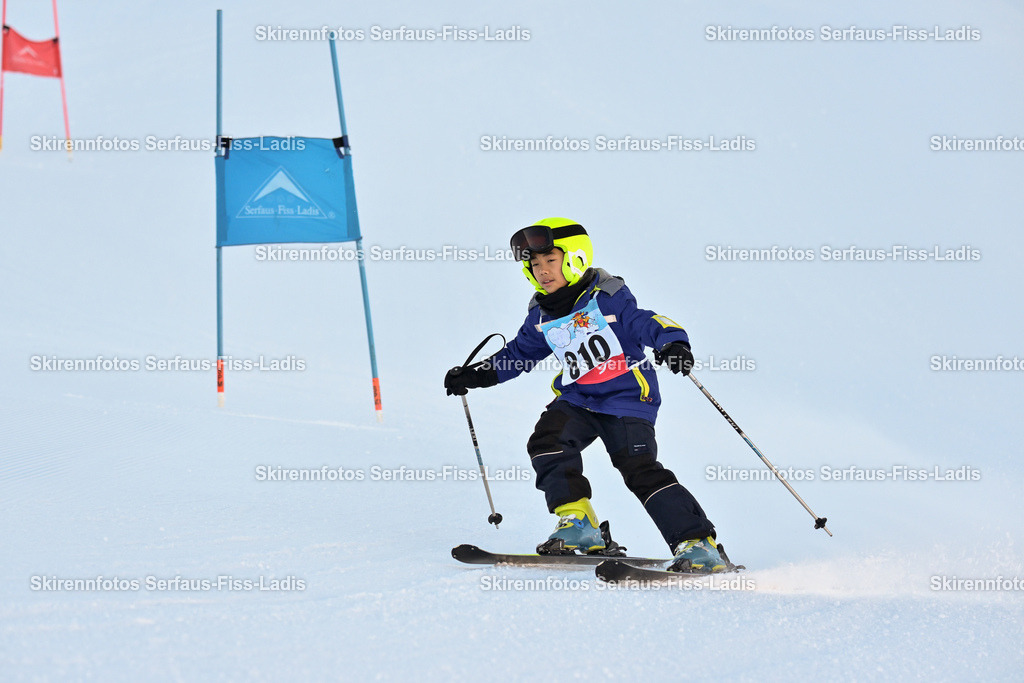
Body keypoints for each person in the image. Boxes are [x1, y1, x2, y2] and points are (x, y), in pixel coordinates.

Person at [444, 218, 727, 573]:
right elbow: (519, 354)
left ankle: (698, 543)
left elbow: (648, 322)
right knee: (547, 443)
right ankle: (579, 525)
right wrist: (475, 374)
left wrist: (673, 343)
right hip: (578, 398)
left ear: (575, 258)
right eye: (534, 265)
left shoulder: (608, 298)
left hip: (627, 399)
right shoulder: (542, 314)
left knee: (638, 468)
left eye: (551, 261)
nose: (543, 272)